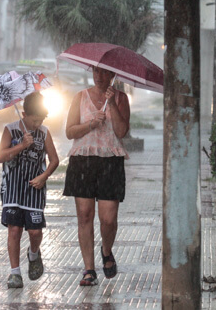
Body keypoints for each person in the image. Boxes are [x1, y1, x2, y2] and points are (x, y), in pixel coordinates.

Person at [63, 66, 130, 286]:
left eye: (104, 73)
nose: (99, 77)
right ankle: (89, 269)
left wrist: (111, 103)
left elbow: (121, 132)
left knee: (108, 219)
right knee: (84, 216)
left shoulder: (120, 98)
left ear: (113, 75)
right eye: (96, 72)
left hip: (110, 160)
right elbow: (70, 131)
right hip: (83, 160)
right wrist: (91, 124)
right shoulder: (80, 97)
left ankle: (106, 250)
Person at [0, 91, 59, 289]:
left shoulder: (44, 132)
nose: (37, 124)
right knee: (14, 230)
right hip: (13, 188)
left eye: (40, 120)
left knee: (34, 231)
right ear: (24, 115)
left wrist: (44, 176)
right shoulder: (10, 129)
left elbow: (54, 160)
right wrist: (21, 146)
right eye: (34, 120)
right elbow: (1, 156)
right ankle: (15, 273)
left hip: (34, 188)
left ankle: (33, 254)